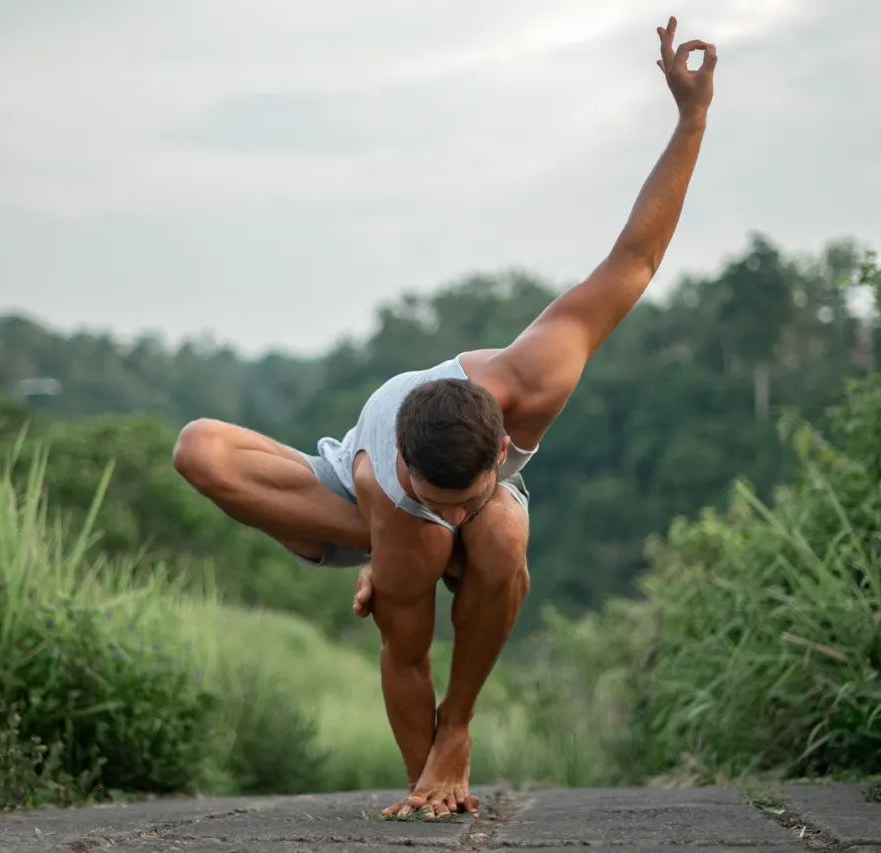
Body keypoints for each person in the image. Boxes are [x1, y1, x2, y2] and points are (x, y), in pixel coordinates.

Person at [172, 16, 717, 820]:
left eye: (461, 495)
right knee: (198, 451)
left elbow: (633, 260)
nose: (450, 510)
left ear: (504, 445)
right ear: (408, 471)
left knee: (497, 536)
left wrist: (691, 118)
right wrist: (427, 777)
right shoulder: (403, 498)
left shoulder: (533, 377)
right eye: (436, 496)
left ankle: (453, 692)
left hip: (420, 513)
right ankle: (377, 555)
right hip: (366, 499)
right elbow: (404, 655)